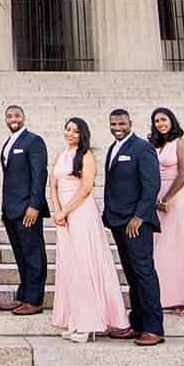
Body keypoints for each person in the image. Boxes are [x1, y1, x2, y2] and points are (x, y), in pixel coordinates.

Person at [48, 116, 125, 342]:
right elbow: (52, 185)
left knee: (85, 264)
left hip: (81, 212)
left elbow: (86, 188)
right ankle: (75, 319)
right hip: (63, 215)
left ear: (82, 135)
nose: (70, 133)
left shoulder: (87, 156)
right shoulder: (61, 156)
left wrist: (66, 211)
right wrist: (57, 210)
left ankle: (89, 323)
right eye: (68, 129)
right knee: (70, 266)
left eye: (75, 131)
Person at [102, 108, 165, 346]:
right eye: (113, 123)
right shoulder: (113, 148)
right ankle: (137, 324)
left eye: (121, 123)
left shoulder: (142, 147)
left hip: (136, 223)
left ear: (130, 123)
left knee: (144, 273)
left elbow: (151, 185)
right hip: (118, 220)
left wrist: (139, 216)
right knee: (132, 275)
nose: (117, 127)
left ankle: (154, 328)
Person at [147, 107, 184, 314]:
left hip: (177, 197)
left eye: (164, 119)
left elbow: (183, 174)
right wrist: (154, 197)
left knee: (182, 247)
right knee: (162, 249)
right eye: (156, 121)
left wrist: (167, 198)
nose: (160, 124)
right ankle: (168, 297)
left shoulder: (180, 143)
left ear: (172, 120)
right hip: (156, 198)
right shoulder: (153, 145)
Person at [0, 103, 49, 315]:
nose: (13, 119)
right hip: (11, 209)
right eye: (9, 116)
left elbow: (40, 174)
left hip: (28, 208)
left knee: (33, 253)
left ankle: (35, 300)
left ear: (24, 117)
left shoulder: (34, 141)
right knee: (20, 254)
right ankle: (24, 296)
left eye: (17, 115)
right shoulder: (8, 143)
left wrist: (34, 205)